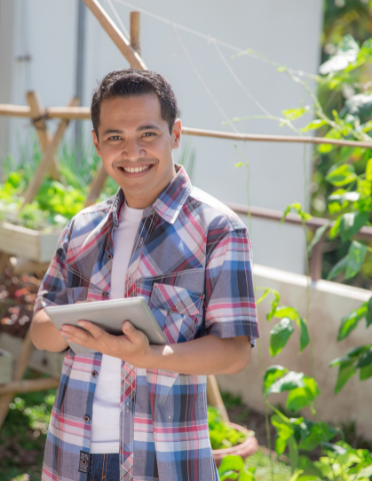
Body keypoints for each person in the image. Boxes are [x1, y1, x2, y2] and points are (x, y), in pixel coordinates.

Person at [30, 69, 260, 481]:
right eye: (115, 137)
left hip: (165, 459)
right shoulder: (82, 228)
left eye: (148, 134)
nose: (132, 152)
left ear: (176, 135)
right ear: (98, 144)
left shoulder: (217, 228)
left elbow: (235, 351)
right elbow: (41, 332)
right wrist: (81, 317)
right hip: (74, 452)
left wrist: (148, 356)